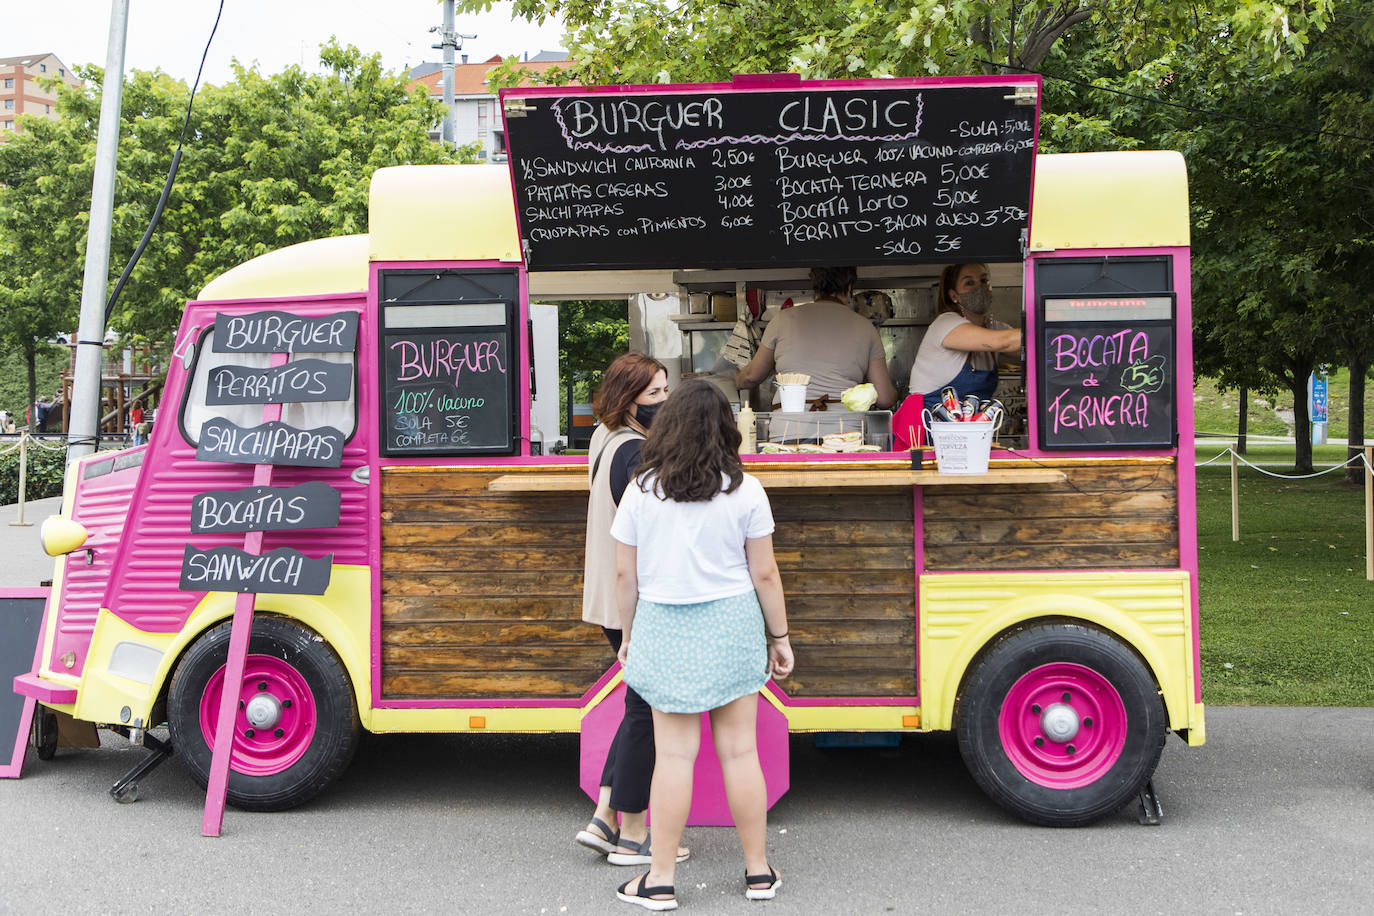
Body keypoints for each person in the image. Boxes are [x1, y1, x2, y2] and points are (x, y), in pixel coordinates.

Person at [610, 379, 794, 910]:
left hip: (665, 626)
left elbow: (626, 578)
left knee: (672, 757)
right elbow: (766, 575)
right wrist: (779, 637)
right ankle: (758, 873)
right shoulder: (747, 489)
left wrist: (629, 636)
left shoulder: (642, 490)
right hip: (732, 623)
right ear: (726, 429)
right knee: (740, 752)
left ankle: (661, 880)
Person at [576, 352, 689, 869]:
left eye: (666, 391)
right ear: (629, 399)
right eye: (653, 396)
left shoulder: (605, 436)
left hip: (609, 597)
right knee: (645, 714)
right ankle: (633, 836)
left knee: (636, 707)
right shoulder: (634, 452)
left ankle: (604, 815)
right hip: (634, 602)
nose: (663, 402)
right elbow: (653, 531)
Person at [733, 266, 896, 410]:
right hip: (844, 432)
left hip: (789, 431)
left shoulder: (782, 319)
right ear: (849, 288)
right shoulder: (866, 327)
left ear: (815, 286)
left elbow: (751, 376)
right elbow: (884, 398)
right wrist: (898, 394)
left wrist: (737, 379)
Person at [907, 262, 1021, 413]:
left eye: (983, 281)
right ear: (954, 295)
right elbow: (1004, 342)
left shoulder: (993, 327)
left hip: (970, 429)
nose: (979, 287)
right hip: (927, 429)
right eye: (969, 283)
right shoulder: (945, 323)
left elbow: (1027, 346)